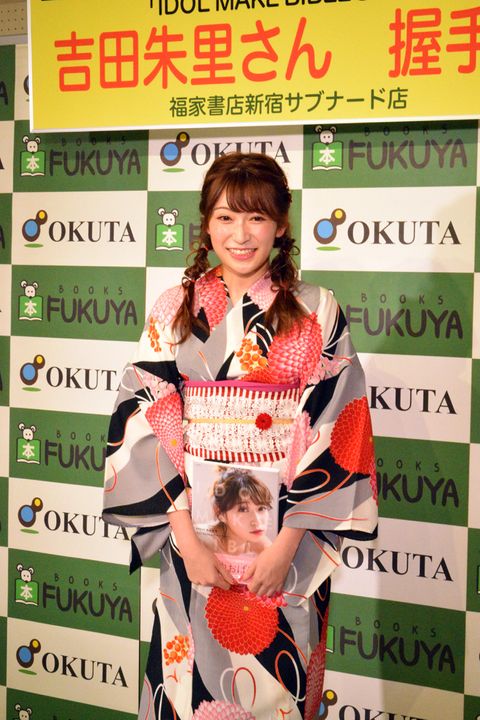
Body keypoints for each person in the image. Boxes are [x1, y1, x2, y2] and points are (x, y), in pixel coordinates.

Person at [103, 152, 378, 720]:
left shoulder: (316, 308)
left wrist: (285, 546)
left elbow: (338, 421)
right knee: (187, 681)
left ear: (280, 225)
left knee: (279, 684)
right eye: (226, 217)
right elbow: (144, 415)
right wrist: (186, 539)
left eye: (257, 217)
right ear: (206, 224)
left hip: (285, 537)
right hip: (193, 533)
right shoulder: (176, 308)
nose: (241, 234)